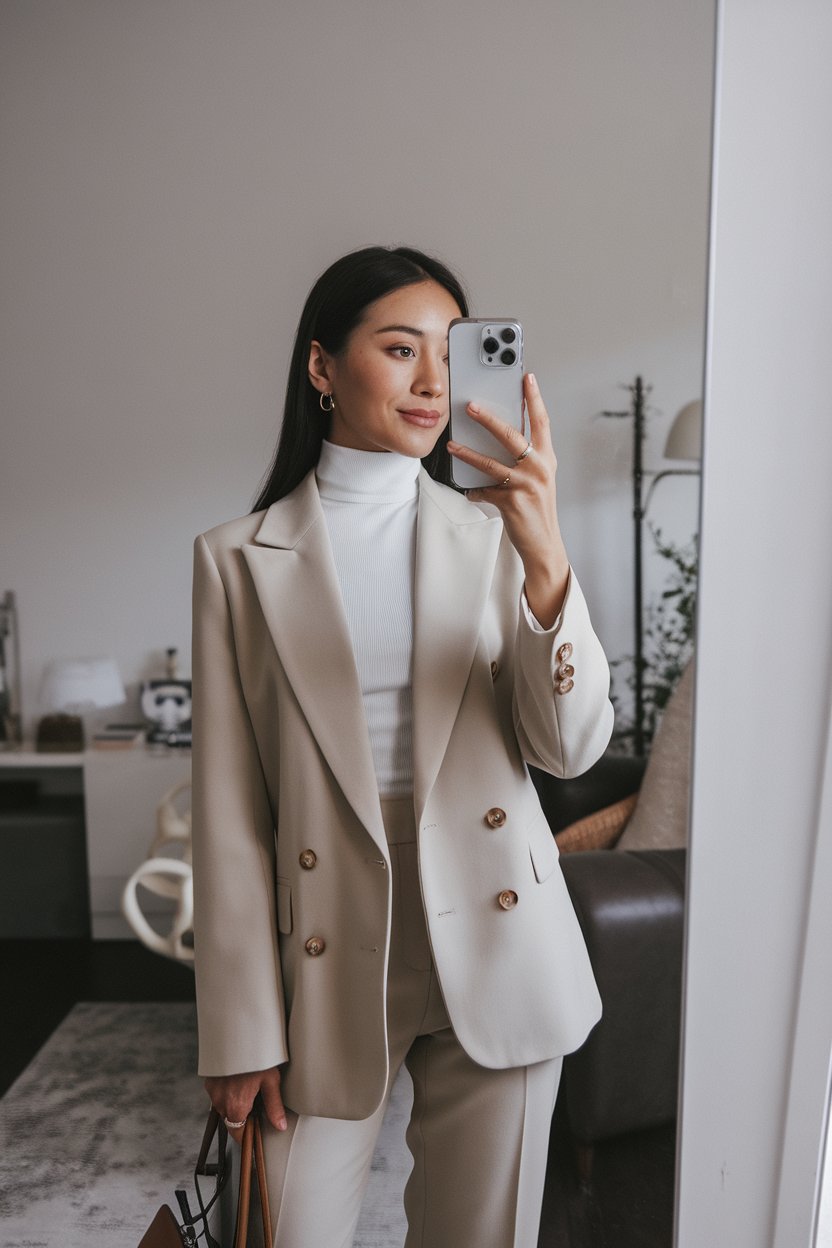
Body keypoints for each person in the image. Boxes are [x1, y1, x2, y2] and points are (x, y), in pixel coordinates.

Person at [191, 245, 614, 1248]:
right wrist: (239, 1029)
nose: (432, 382)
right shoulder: (235, 561)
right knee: (284, 1229)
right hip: (328, 940)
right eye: (398, 348)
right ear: (322, 366)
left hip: (500, 931)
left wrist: (546, 557)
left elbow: (569, 749)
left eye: (450, 353)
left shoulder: (497, 533)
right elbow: (228, 812)